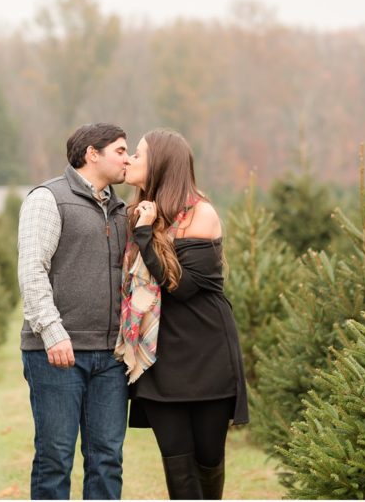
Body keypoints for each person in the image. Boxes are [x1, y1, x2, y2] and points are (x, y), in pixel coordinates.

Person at [118, 128, 249, 500]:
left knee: (208, 459)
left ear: (161, 164)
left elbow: (181, 286)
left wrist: (145, 237)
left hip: (206, 354)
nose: (130, 160)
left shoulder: (200, 214)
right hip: (158, 357)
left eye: (138, 154)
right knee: (177, 462)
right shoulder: (139, 214)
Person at [17, 123, 132, 500]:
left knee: (107, 460)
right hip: (57, 354)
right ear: (92, 154)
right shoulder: (48, 198)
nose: (128, 159)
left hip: (111, 357)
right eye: (120, 150)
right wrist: (53, 333)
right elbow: (32, 269)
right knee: (55, 458)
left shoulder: (122, 209)